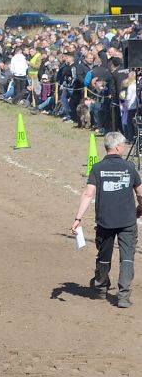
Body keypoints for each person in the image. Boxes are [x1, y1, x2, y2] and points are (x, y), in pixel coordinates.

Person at [72, 132, 142, 308]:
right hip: (127, 220)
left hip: (105, 220)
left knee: (104, 255)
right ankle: (123, 296)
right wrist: (140, 209)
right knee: (127, 258)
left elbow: (88, 193)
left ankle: (101, 287)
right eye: (124, 144)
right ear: (117, 147)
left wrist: (78, 218)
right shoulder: (130, 167)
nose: (125, 147)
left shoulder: (97, 168)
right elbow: (140, 193)